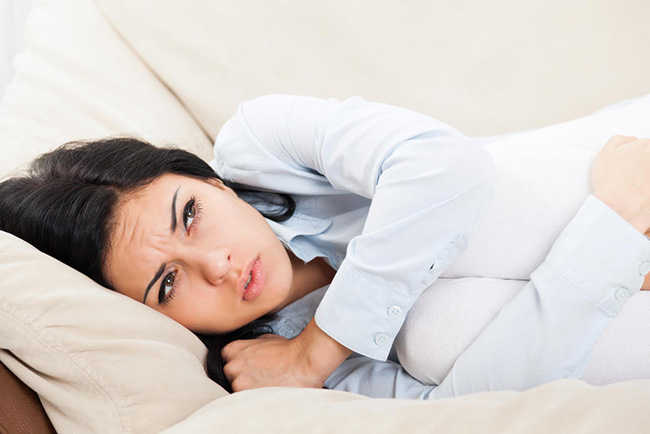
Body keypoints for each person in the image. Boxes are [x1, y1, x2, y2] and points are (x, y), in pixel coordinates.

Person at [0, 94, 649, 400]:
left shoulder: (260, 143)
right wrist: (612, 227)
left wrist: (317, 350)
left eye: (191, 215)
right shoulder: (266, 371)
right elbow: (471, 409)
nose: (218, 266)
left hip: (623, 151)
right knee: (434, 337)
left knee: (458, 219)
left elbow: (447, 169)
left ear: (211, 181)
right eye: (168, 284)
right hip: (620, 208)